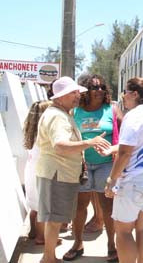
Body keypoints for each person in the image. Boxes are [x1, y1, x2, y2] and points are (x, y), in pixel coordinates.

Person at [36, 76, 111, 263]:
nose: (78, 95)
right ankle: (48, 258)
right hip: (57, 175)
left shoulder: (62, 113)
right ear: (61, 96)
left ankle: (50, 257)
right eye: (74, 92)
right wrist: (89, 142)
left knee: (54, 219)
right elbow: (60, 145)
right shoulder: (58, 117)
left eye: (78, 92)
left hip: (58, 174)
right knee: (54, 220)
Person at [103, 77, 143, 263]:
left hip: (135, 182)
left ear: (135, 94)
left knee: (123, 231)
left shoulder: (133, 116)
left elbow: (125, 153)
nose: (122, 96)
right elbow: (141, 145)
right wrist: (112, 149)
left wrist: (111, 180)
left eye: (125, 92)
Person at [63, 74, 122, 262]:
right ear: (86, 91)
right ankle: (77, 243)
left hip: (107, 165)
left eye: (102, 87)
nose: (99, 90)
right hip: (83, 165)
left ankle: (111, 245)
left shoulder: (111, 108)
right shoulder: (76, 111)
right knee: (79, 206)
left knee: (107, 206)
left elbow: (126, 133)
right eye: (95, 87)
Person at [23, 100, 52, 245]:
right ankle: (41, 238)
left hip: (30, 170)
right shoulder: (45, 133)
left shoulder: (29, 131)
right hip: (41, 171)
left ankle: (33, 232)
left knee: (34, 205)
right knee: (43, 208)